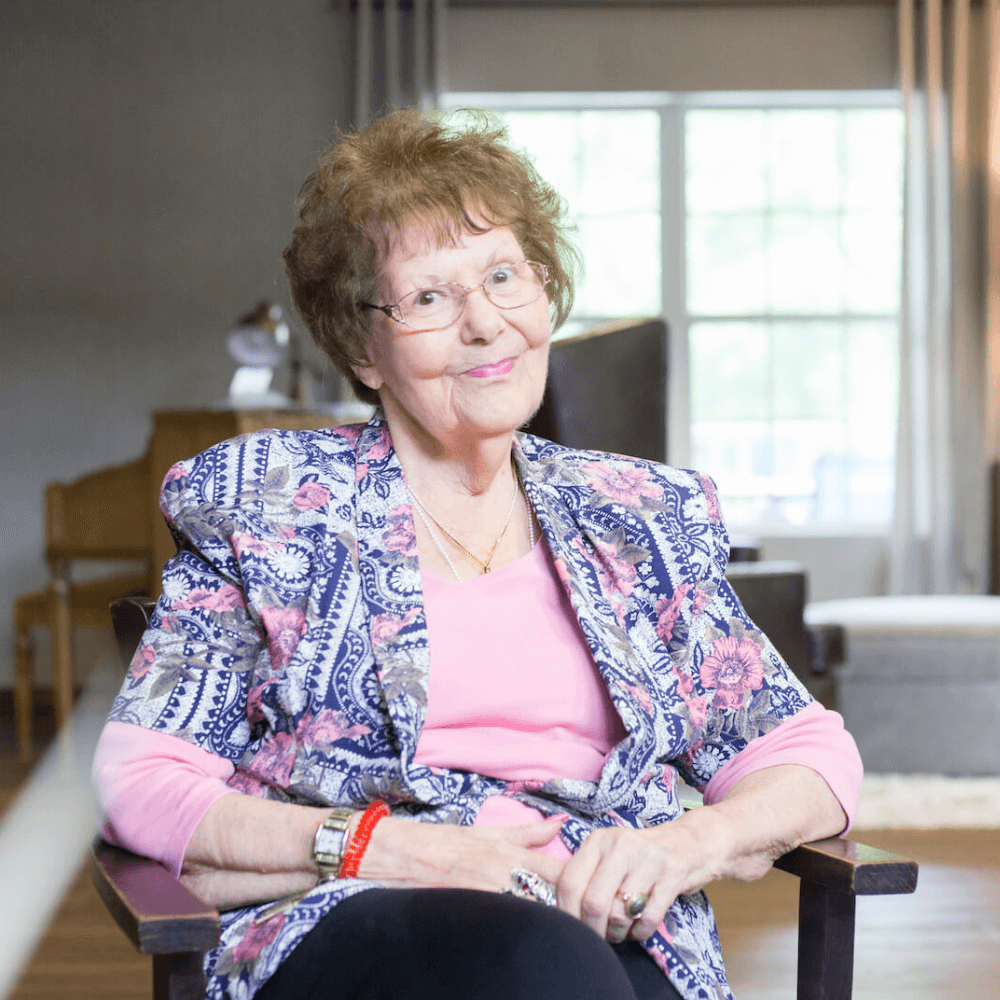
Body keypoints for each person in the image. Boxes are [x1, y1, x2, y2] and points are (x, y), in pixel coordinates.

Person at [95, 108, 862, 1000]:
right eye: (429, 296)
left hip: (610, 925)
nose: (486, 323)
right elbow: (138, 774)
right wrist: (379, 845)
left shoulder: (635, 519)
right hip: (360, 915)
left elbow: (805, 753)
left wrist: (679, 846)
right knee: (545, 969)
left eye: (504, 276)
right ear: (362, 346)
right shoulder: (271, 508)